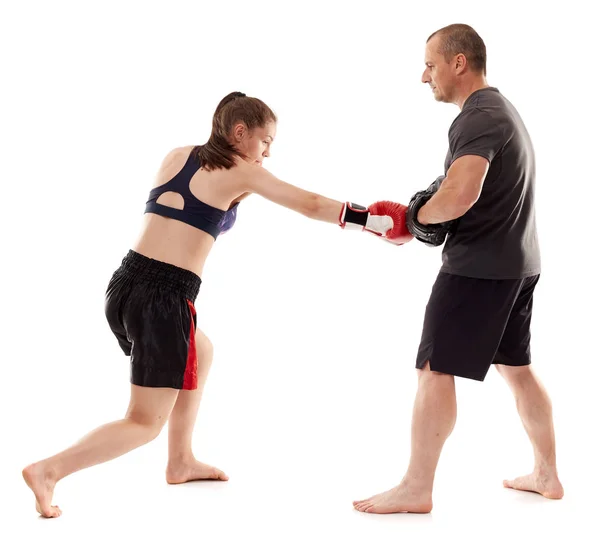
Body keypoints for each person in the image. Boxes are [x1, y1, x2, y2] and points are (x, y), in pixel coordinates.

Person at [22, 91, 413, 518]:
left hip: (125, 284)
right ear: (239, 133)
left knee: (200, 350)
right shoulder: (241, 170)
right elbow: (310, 203)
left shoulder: (178, 155)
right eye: (266, 141)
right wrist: (369, 220)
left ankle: (181, 461)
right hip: (163, 299)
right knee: (142, 422)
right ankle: (49, 470)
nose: (268, 152)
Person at [353, 24, 564, 515]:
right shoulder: (501, 110)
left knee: (434, 368)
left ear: (458, 63)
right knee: (517, 370)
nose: (423, 75)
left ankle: (416, 487)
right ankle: (547, 475)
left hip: (479, 269)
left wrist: (415, 218)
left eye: (430, 64)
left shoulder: (478, 117)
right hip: (518, 264)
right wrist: (430, 206)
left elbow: (461, 194)